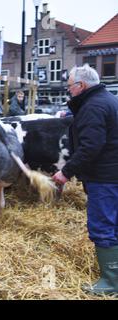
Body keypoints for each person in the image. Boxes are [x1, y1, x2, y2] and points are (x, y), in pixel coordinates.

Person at [53, 64, 118, 296]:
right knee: (114, 224)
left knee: (102, 226)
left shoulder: (93, 106)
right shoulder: (109, 99)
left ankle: (111, 282)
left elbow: (91, 146)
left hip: (105, 177)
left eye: (70, 86)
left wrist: (65, 172)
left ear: (81, 85)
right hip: (112, 174)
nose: (69, 90)